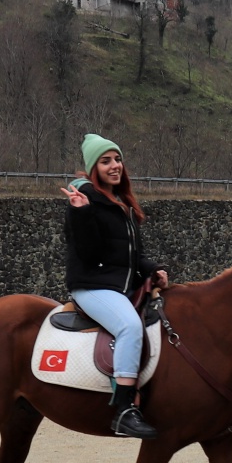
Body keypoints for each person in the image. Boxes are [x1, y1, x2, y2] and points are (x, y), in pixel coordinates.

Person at [61, 133, 169, 441]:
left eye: (118, 159)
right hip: (93, 286)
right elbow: (89, 254)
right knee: (129, 327)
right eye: (106, 161)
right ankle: (123, 410)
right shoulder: (84, 201)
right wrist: (80, 213)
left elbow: (133, 257)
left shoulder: (122, 203)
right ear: (94, 167)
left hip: (121, 286)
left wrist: (154, 270)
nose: (115, 166)